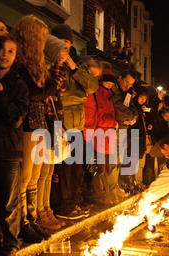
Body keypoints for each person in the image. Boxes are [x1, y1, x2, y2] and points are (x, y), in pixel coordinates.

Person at [0, 35, 29, 256]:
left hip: (9, 148)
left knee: (10, 201)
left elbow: (15, 118)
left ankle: (11, 241)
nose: (4, 55)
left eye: (11, 51)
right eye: (1, 50)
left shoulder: (18, 84)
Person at [12, 15, 58, 242]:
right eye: (41, 37)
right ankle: (22, 223)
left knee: (36, 175)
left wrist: (47, 88)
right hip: (28, 122)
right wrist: (47, 90)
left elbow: (49, 87)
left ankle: (31, 219)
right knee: (26, 175)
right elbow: (33, 92)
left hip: (40, 122)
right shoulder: (18, 63)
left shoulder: (38, 64)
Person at [54, 56, 102, 220]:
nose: (93, 77)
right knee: (66, 171)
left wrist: (76, 70)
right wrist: (80, 97)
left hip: (77, 127)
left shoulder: (77, 72)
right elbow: (61, 98)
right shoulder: (61, 71)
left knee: (77, 169)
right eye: (92, 73)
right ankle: (65, 207)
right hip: (65, 126)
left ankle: (73, 202)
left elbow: (92, 87)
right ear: (86, 66)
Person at [35, 34, 69, 231]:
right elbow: (49, 92)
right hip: (45, 120)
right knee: (41, 172)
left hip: (54, 121)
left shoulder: (59, 71)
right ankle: (40, 211)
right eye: (61, 54)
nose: (63, 59)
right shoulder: (48, 70)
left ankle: (46, 209)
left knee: (48, 171)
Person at [83, 68, 118, 206]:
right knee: (101, 168)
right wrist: (114, 122)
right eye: (107, 82)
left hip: (108, 137)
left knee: (107, 168)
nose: (109, 85)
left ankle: (106, 191)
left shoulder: (109, 96)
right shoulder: (97, 95)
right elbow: (99, 118)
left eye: (111, 83)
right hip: (100, 137)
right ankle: (99, 194)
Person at [109, 69, 138, 203]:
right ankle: (110, 188)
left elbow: (133, 109)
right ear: (120, 77)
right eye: (126, 82)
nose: (127, 86)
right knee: (112, 161)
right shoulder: (113, 90)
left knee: (119, 160)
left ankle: (116, 186)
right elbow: (117, 109)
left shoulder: (127, 94)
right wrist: (131, 117)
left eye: (130, 84)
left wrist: (134, 117)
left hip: (123, 129)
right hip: (114, 128)